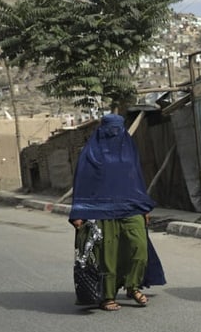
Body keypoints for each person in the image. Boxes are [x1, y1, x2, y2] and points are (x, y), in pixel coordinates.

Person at [69, 110, 166, 311]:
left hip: (130, 207)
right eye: (110, 128)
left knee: (139, 249)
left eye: (118, 128)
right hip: (99, 210)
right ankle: (107, 296)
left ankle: (132, 285)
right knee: (108, 257)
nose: (114, 132)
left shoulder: (129, 149)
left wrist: (143, 207)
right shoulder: (90, 153)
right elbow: (83, 182)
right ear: (102, 129)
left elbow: (136, 179)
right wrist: (79, 212)